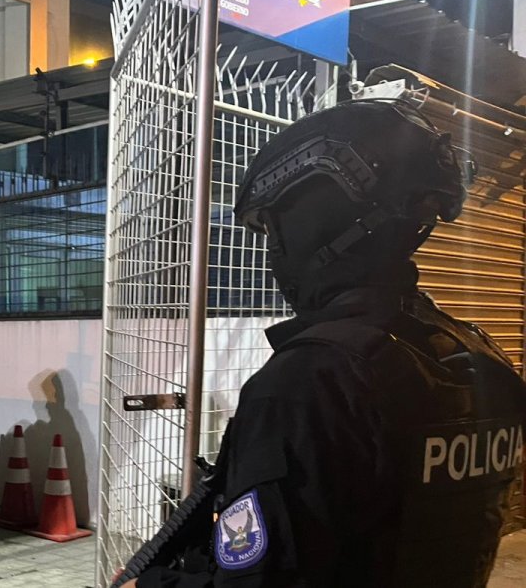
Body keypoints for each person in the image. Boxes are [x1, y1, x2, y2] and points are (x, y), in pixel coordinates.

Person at [126, 99, 526, 587]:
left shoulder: (308, 382)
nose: (273, 252)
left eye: (275, 229)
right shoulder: (482, 358)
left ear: (317, 217)